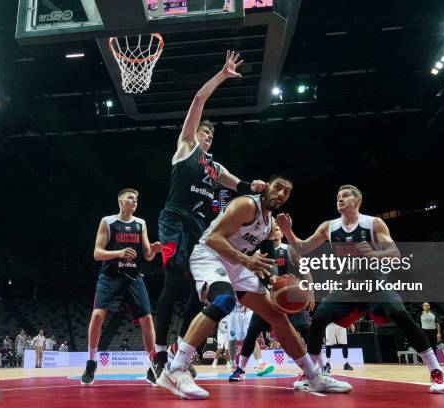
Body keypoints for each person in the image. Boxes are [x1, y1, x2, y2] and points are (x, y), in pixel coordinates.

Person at [156, 175, 352, 399]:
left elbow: (267, 262)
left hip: (238, 265)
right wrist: (247, 260)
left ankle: (313, 375)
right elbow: (212, 238)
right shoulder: (247, 205)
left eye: (286, 192)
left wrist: (273, 281)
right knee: (224, 300)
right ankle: (174, 369)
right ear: (267, 187)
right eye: (277, 187)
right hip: (210, 257)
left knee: (277, 316)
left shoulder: (270, 224)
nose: (280, 194)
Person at [153, 50, 267, 379]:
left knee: (200, 290)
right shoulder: (187, 146)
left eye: (212, 134)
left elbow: (238, 183)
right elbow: (199, 98)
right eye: (206, 132)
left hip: (198, 227)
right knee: (174, 279)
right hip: (174, 219)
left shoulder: (213, 166)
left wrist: (254, 185)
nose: (209, 136)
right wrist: (222, 75)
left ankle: (180, 352)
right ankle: (159, 355)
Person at [277, 184, 444, 394]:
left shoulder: (372, 223)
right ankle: (311, 374)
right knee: (319, 317)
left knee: (399, 313)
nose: (340, 199)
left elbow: (394, 253)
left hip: (374, 286)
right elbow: (303, 247)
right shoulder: (329, 227)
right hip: (346, 289)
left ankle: (437, 372)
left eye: (345, 196)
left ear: (358, 201)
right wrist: (287, 230)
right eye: (338, 197)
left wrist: (373, 254)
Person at [81, 188, 162, 386]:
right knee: (97, 315)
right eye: (130, 198)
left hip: (133, 276)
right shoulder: (107, 222)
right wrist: (119, 253)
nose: (134, 201)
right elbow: (97, 254)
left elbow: (147, 255)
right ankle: (91, 362)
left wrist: (154, 250)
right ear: (120, 201)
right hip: (110, 276)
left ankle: (152, 365)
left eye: (136, 199)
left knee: (147, 318)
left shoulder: (140, 223)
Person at [231, 224, 315, 380]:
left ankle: (319, 365)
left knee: (304, 328)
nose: (274, 231)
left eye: (277, 229)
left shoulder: (289, 250)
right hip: (267, 298)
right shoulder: (259, 252)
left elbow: (306, 270)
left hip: (290, 298)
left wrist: (310, 291)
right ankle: (240, 369)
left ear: (281, 233)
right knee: (252, 332)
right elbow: (251, 274)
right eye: (272, 229)